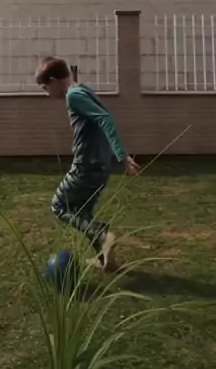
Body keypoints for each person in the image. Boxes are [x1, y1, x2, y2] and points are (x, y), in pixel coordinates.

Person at [35, 55, 139, 272]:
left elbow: (104, 119)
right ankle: (105, 261)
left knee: (59, 206)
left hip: (86, 167)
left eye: (45, 87)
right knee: (83, 213)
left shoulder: (73, 96)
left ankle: (102, 235)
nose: (47, 93)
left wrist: (121, 155)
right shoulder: (83, 90)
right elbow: (99, 122)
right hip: (100, 167)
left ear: (53, 81)